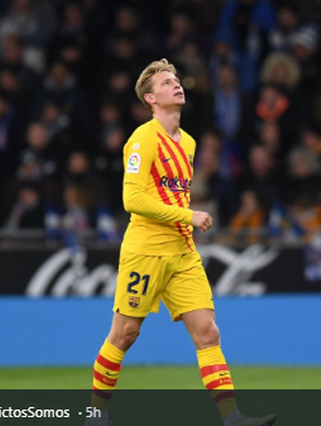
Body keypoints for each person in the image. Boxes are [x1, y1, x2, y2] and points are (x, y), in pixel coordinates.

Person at [86, 59, 275, 426]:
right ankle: (96, 414)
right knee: (125, 333)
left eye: (177, 81)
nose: (177, 86)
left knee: (208, 332)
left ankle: (232, 417)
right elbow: (133, 200)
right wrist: (189, 214)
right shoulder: (142, 139)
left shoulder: (187, 142)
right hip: (146, 250)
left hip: (183, 252)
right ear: (150, 98)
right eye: (167, 83)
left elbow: (170, 195)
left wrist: (184, 220)